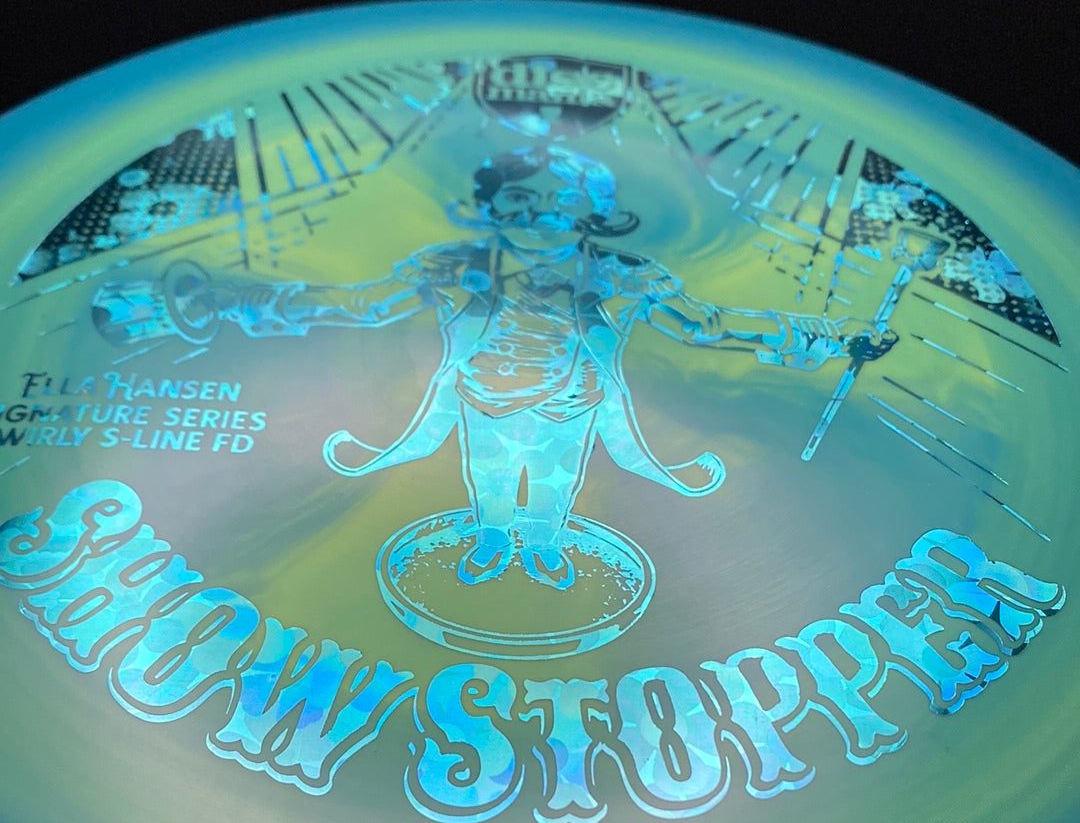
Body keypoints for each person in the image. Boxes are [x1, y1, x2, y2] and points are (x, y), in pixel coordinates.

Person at [93, 145, 874, 589]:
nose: (539, 219)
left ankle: (544, 543)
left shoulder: (623, 274)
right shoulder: (456, 264)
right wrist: (238, 303)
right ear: (494, 206)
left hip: (571, 402)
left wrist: (827, 337)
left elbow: (707, 326)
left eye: (559, 205)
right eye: (521, 203)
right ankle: (496, 539)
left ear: (592, 215)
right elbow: (362, 306)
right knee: (491, 478)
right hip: (482, 397)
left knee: (555, 484)